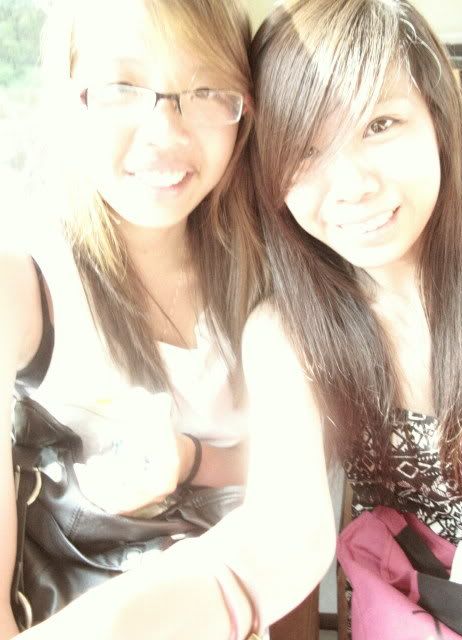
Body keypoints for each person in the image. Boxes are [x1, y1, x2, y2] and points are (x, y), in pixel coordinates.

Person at [1, 0, 335, 638]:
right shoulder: (23, 284)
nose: (165, 134)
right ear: (70, 95)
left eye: (206, 90)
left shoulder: (272, 278)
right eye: (121, 87)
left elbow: (294, 500)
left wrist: (189, 459)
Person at [250, 0, 462, 585]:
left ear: (437, 118)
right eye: (305, 150)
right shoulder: (289, 334)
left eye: (379, 125)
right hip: (412, 612)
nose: (352, 185)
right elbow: (281, 528)